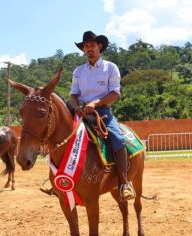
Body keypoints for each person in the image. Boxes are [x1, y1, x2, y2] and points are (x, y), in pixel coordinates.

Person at [70, 31, 135, 201]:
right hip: (82, 112)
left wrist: (96, 103)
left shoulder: (110, 67)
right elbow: (74, 94)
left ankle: (124, 183)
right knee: (61, 134)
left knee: (118, 139)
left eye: (92, 45)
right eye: (86, 46)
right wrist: (76, 107)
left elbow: (115, 94)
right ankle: (57, 182)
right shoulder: (78, 71)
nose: (89, 49)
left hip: (103, 112)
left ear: (99, 46)